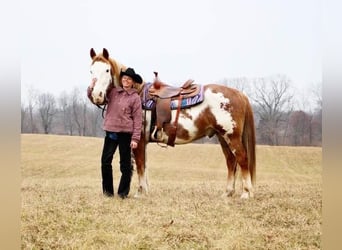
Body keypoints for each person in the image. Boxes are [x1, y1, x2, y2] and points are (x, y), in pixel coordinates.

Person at [87, 67, 143, 198]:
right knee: (105, 161)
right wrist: (91, 87)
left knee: (125, 165)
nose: (126, 80)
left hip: (125, 134)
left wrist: (135, 139)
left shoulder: (135, 98)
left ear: (133, 82)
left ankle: (123, 193)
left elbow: (138, 119)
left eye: (129, 79)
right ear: (121, 79)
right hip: (111, 132)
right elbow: (96, 98)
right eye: (124, 78)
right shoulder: (113, 92)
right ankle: (108, 192)